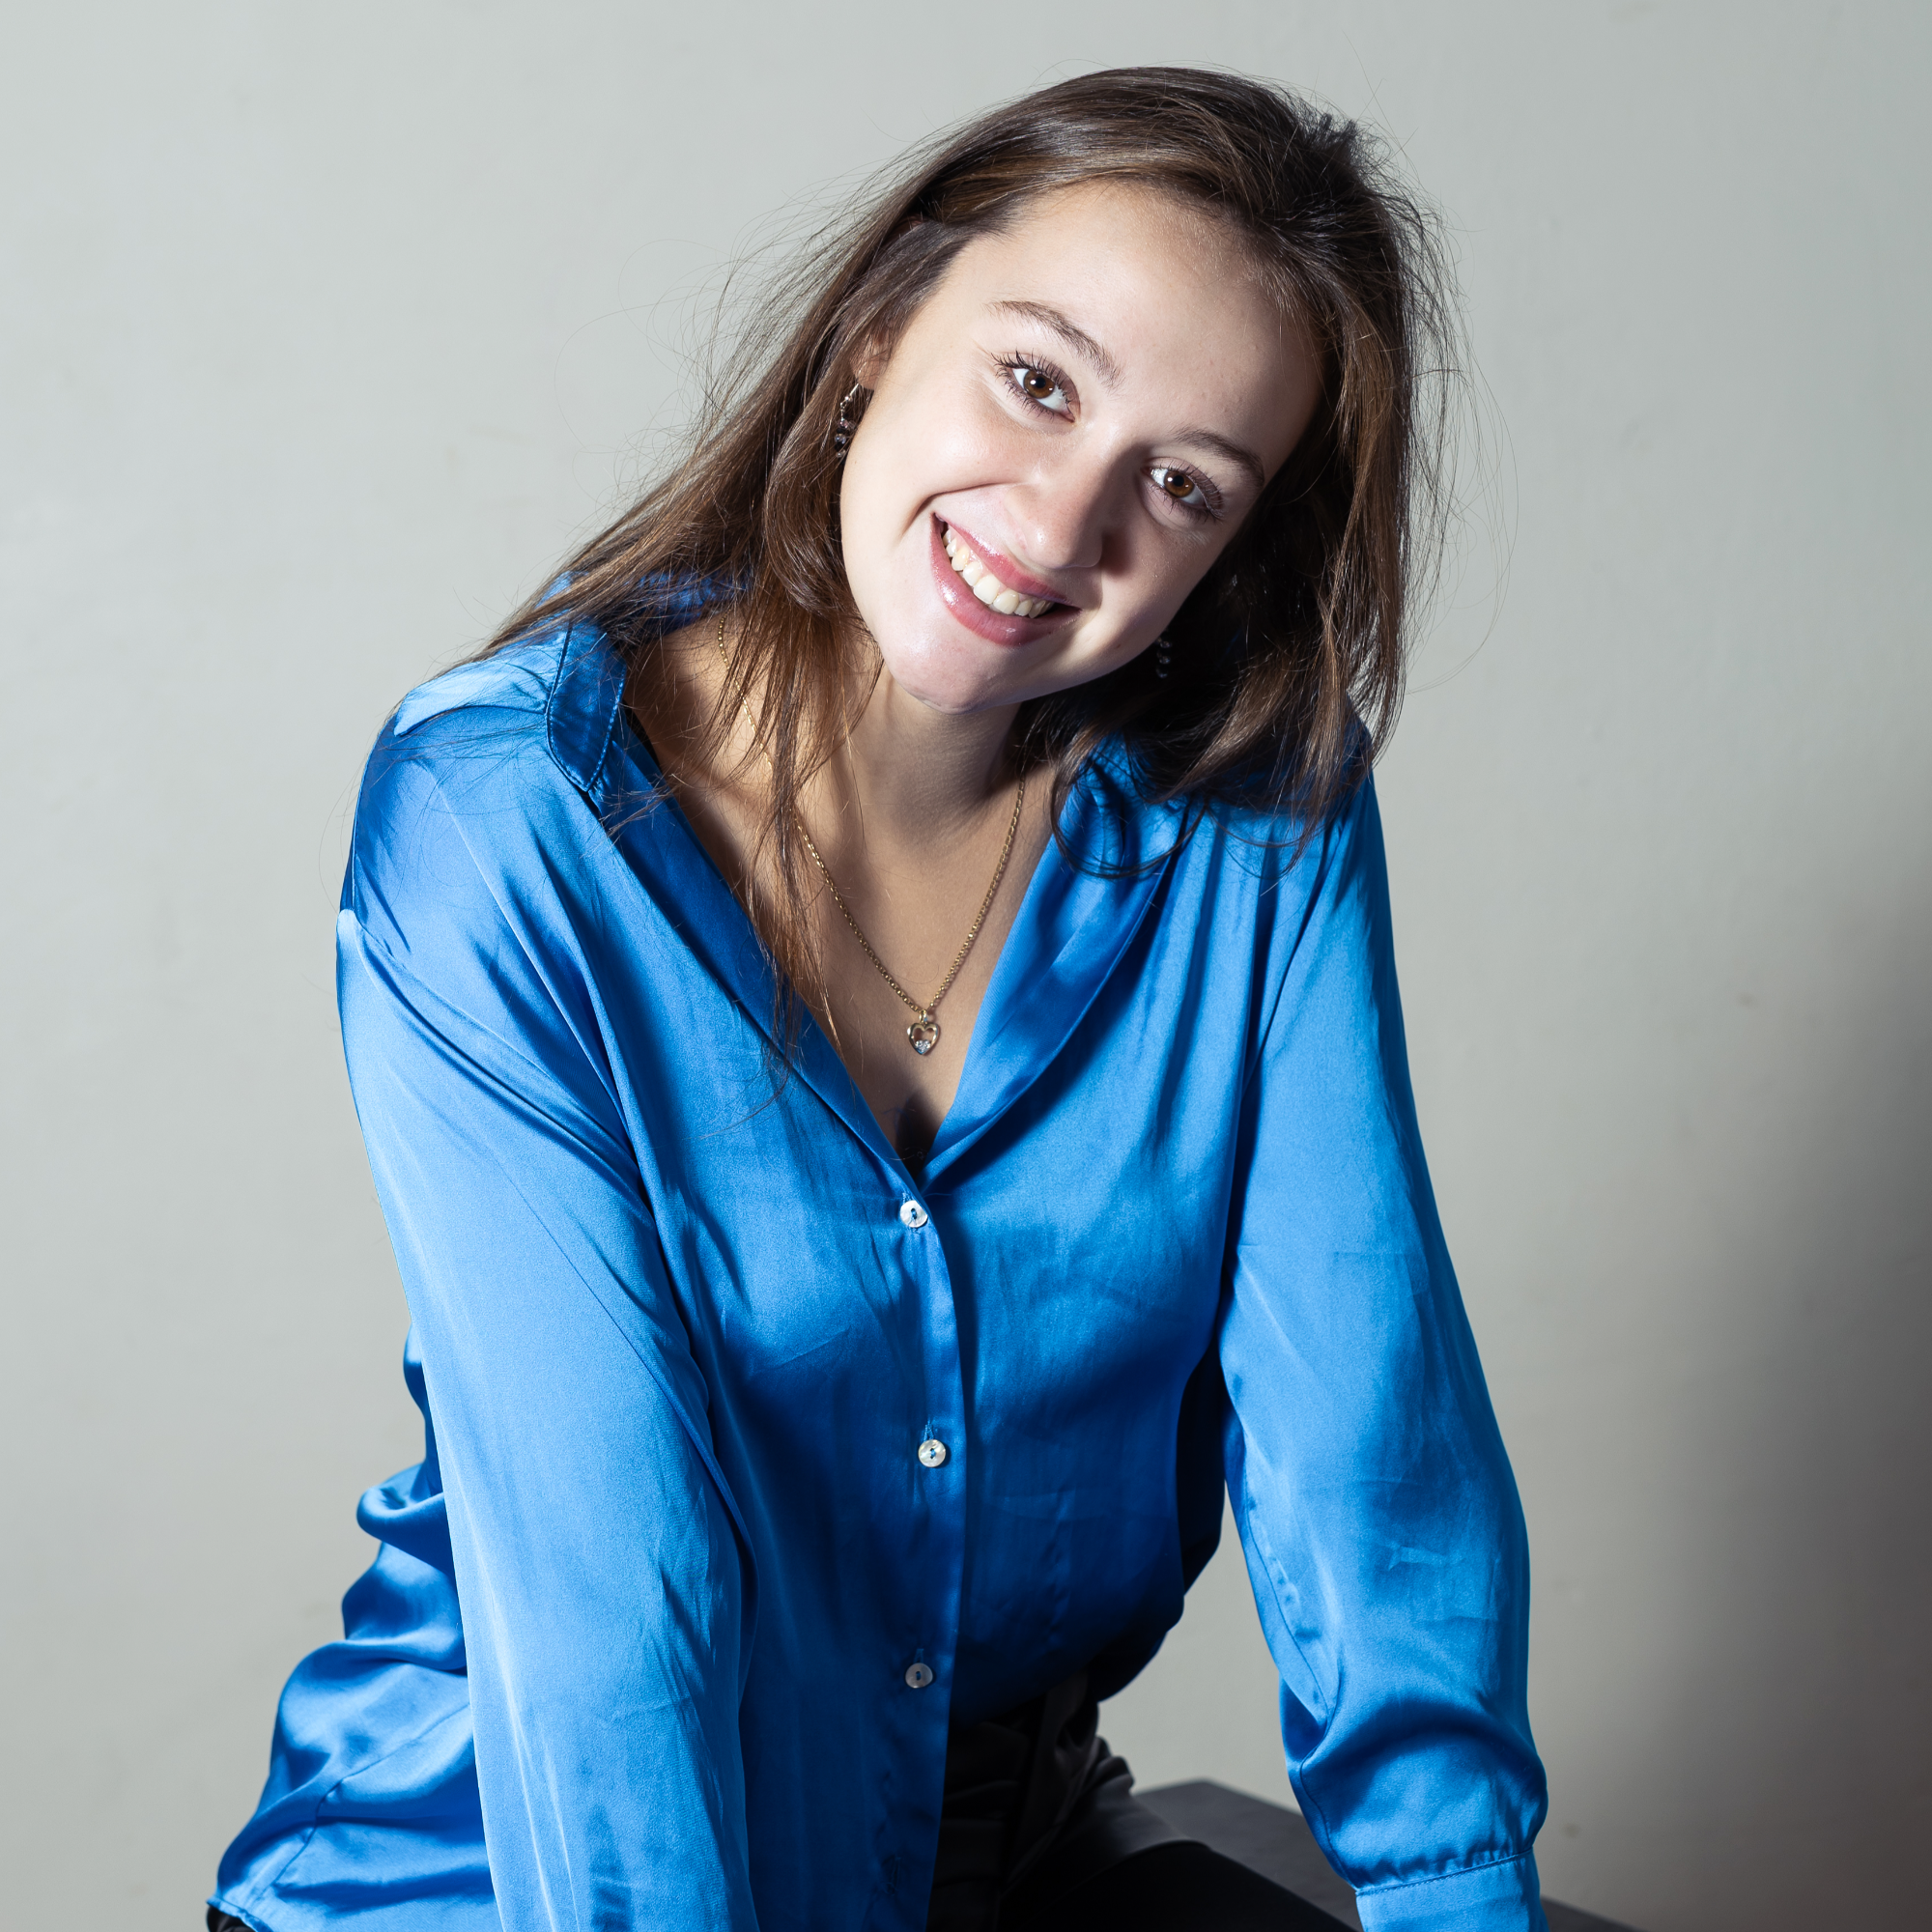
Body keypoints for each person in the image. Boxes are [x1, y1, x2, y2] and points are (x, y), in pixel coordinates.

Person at [210, 66, 1548, 1932]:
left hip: (992, 1849)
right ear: (876, 329)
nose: (1062, 523)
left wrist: (1454, 1896)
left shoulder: (1263, 826)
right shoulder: (506, 821)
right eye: (1039, 380)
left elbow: (1366, 1433)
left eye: (1180, 484)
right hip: (517, 1872)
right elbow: (614, 1611)